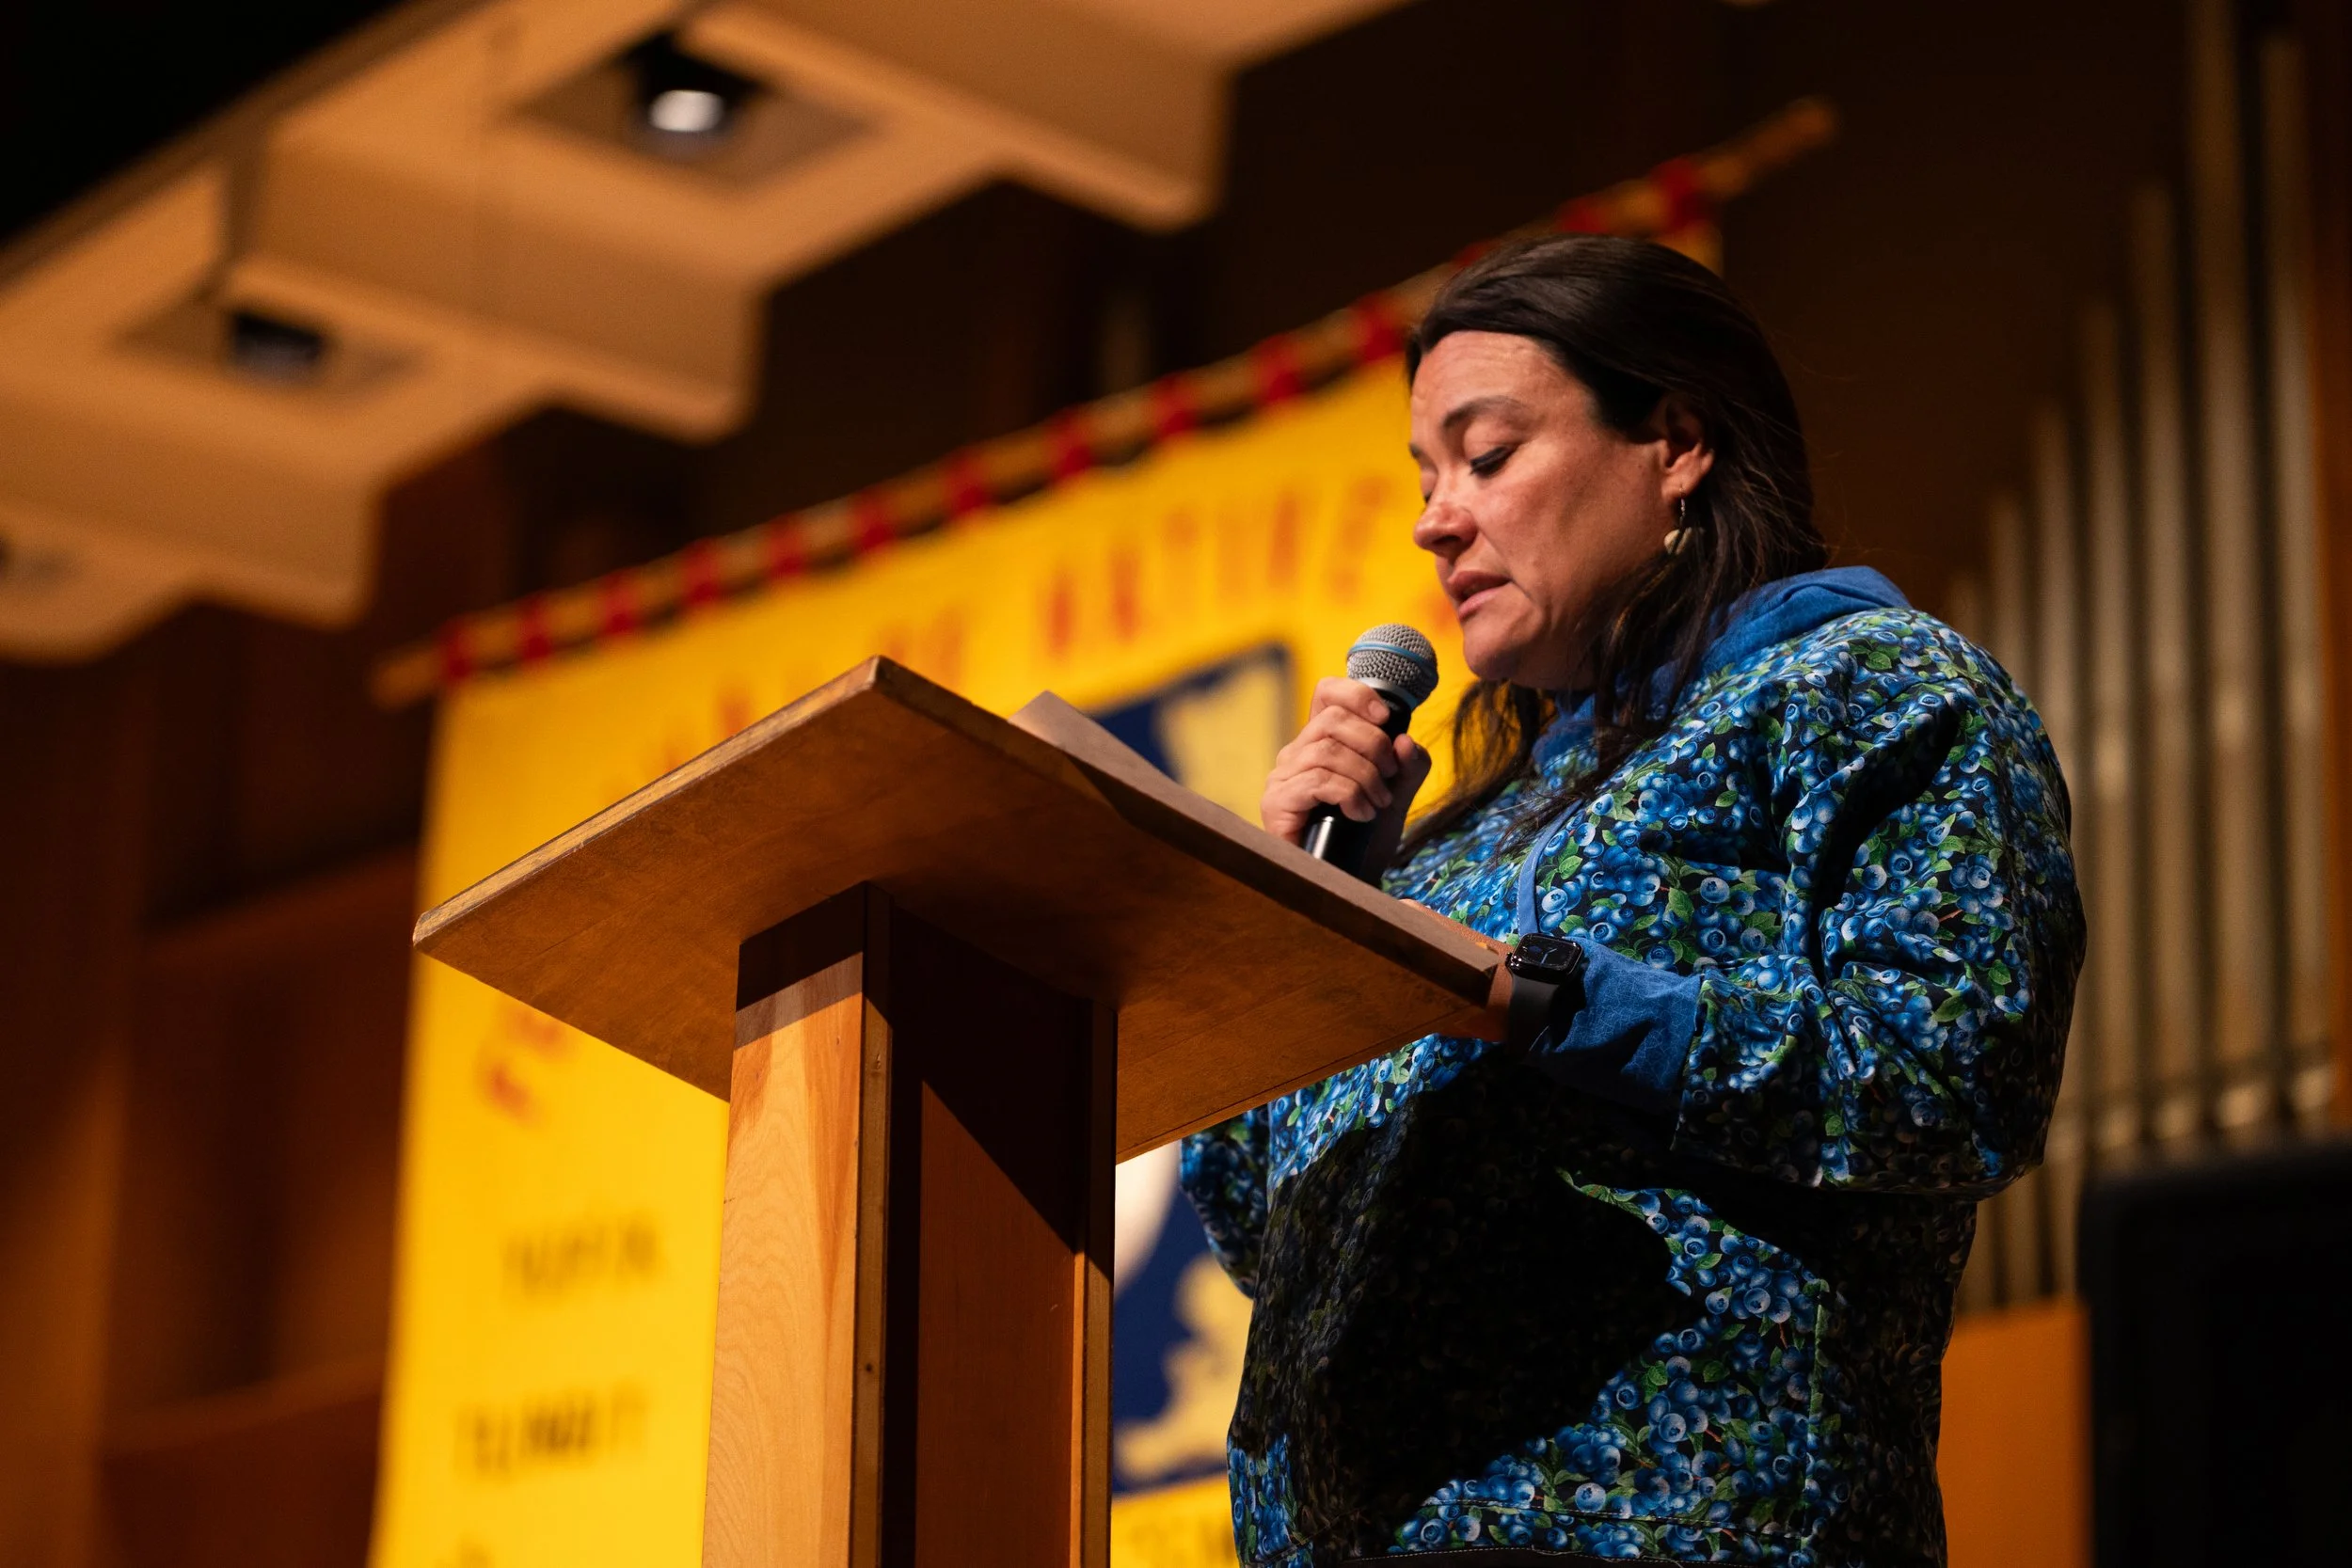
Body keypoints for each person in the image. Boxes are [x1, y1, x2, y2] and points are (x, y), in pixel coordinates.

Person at [1180, 235, 2084, 1567]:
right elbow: (1271, 1233)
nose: (1437, 519)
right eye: (1427, 478)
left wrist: (1560, 1004)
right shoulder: (1443, 848)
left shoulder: (1862, 684)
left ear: (1675, 442)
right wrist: (1308, 917)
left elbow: (1957, 1071)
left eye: (1486, 457)